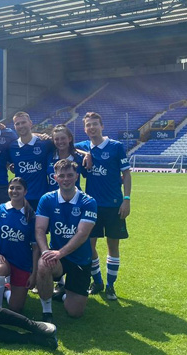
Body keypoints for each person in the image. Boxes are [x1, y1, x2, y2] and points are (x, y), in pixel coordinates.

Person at [75, 112, 132, 301]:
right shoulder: (83, 146)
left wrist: (127, 199)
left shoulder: (116, 147)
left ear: (102, 126)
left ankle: (110, 286)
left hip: (115, 205)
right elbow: (65, 144)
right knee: (89, 246)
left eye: (94, 124)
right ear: (84, 129)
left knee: (112, 246)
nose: (91, 128)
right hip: (91, 206)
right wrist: (86, 154)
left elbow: (127, 175)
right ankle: (97, 281)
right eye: (88, 125)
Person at [36, 160, 97, 321]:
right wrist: (45, 251)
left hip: (80, 259)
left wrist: (60, 253)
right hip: (58, 258)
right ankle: (47, 312)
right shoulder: (47, 199)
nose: (66, 179)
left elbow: (82, 234)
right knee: (43, 264)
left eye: (70, 175)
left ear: (76, 176)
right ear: (55, 178)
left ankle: (65, 294)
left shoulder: (88, 202)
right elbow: (40, 230)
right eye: (61, 176)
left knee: (75, 312)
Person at [0, 177, 38, 314]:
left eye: (18, 188)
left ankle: (6, 290)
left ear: (25, 191)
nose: (14, 191)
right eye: (12, 188)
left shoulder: (31, 215)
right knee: (0, 269)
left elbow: (35, 247)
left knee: (16, 307)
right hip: (3, 258)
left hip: (22, 262)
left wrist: (34, 273)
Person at [8, 112, 52, 210]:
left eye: (23, 122)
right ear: (14, 126)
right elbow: (5, 162)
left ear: (30, 123)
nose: (21, 126)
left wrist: (87, 154)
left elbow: (67, 146)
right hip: (20, 198)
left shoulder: (45, 143)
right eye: (17, 124)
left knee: (40, 225)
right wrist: (11, 167)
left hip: (42, 197)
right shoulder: (12, 147)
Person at [46, 124, 85, 191]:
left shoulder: (79, 158)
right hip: (54, 200)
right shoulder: (48, 157)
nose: (60, 141)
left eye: (63, 138)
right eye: (56, 139)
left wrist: (87, 154)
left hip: (75, 199)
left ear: (69, 138)